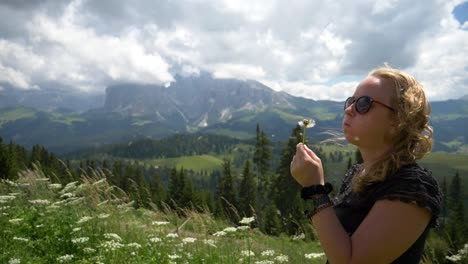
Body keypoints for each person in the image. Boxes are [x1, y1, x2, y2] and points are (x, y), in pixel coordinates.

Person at [290, 66, 442, 263]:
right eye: (350, 101)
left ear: (398, 120)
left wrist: (315, 190)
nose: (348, 109)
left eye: (363, 103)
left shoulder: (412, 187)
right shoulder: (358, 175)